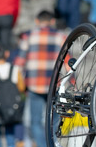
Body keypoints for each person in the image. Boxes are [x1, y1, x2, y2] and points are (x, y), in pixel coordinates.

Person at [14, 11, 66, 147]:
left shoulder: (29, 36)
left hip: (34, 84)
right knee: (55, 120)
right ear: (52, 21)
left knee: (35, 121)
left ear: (37, 21)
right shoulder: (61, 36)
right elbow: (67, 63)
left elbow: (19, 62)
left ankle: (42, 145)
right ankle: (53, 143)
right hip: (55, 84)